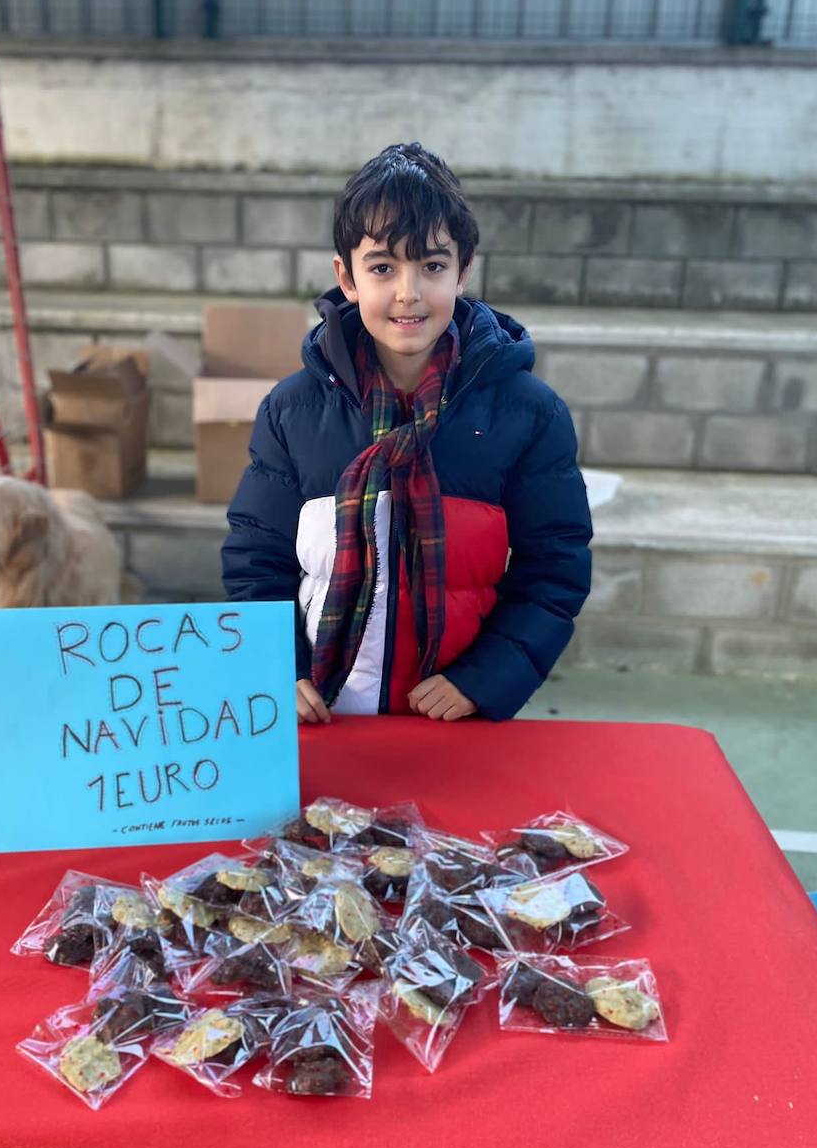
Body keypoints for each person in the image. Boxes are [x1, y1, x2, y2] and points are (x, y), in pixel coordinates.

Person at [221, 142, 592, 725]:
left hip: (456, 719)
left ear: (464, 270)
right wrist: (279, 669)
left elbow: (555, 569)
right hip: (324, 715)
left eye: (433, 266)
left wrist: (483, 680)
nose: (408, 292)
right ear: (346, 277)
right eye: (382, 267)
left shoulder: (529, 415)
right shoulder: (291, 411)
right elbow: (255, 561)